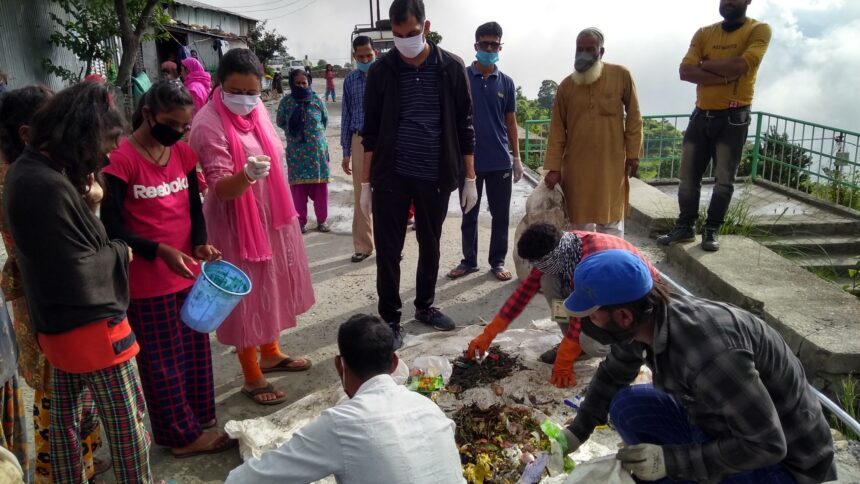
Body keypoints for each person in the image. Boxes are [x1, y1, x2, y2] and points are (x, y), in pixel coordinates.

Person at [559, 249, 837, 482]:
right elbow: (611, 376)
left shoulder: (711, 355)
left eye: (591, 316)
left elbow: (767, 444)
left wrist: (670, 461)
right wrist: (576, 431)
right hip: (719, 423)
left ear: (622, 316)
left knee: (669, 468)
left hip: (786, 463)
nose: (585, 324)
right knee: (626, 406)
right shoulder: (643, 320)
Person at [3, 81, 151, 483]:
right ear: (79, 134)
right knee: (128, 428)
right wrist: (122, 252)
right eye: (105, 141)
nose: (108, 152)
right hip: (92, 329)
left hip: (57, 326)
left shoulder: (30, 170)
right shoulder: (43, 184)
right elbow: (78, 271)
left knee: (67, 426)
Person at [101, 81, 235, 458]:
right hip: (147, 280)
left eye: (184, 126)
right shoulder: (121, 160)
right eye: (172, 124)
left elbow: (194, 207)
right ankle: (180, 437)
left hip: (187, 273)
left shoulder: (182, 155)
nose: (178, 133)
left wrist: (200, 243)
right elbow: (112, 227)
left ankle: (198, 418)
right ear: (147, 115)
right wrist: (158, 251)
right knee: (162, 361)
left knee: (194, 350)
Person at [189, 49, 314, 406]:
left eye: (252, 92)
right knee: (245, 294)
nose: (245, 100)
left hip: (270, 215)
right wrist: (245, 176)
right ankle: (250, 373)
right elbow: (220, 188)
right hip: (235, 222)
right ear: (220, 85)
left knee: (270, 284)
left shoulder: (256, 109)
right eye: (236, 91)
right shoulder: (208, 123)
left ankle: (271, 352)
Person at [224, 314, 465, 484]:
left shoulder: (342, 423)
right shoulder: (429, 409)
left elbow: (247, 480)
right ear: (394, 363)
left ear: (339, 366)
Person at [361, 0, 477, 347]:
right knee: (388, 249)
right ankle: (390, 318)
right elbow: (369, 132)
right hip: (390, 176)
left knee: (431, 243)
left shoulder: (451, 68)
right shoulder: (381, 71)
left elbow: (465, 125)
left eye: (411, 33)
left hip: (435, 174)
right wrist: (365, 184)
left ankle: (425, 305)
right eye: (397, 36)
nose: (404, 41)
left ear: (426, 27)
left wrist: (469, 177)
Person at [466, 223, 658, 385]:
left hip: (635, 304)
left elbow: (583, 309)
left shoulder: (585, 262)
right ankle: (572, 343)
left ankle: (621, 350)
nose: (534, 267)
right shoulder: (563, 249)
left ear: (550, 257)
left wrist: (565, 359)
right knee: (548, 281)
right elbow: (523, 293)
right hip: (601, 297)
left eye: (537, 263)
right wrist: (488, 334)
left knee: (590, 342)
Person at [658, 0, 772, 251]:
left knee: (723, 179)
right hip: (701, 114)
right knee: (687, 177)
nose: (728, 2)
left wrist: (704, 65)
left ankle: (711, 230)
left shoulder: (758, 30)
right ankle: (686, 226)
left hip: (734, 116)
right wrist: (725, 74)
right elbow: (685, 71)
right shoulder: (704, 32)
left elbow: (742, 66)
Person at [543, 27, 642, 239]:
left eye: (591, 49)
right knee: (580, 225)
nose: (584, 54)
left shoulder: (621, 75)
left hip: (611, 166)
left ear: (601, 52)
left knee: (611, 223)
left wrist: (633, 154)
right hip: (577, 168)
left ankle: (612, 267)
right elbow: (557, 130)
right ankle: (582, 269)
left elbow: (634, 116)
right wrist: (553, 167)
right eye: (580, 49)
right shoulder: (566, 87)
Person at [447, 21, 522, 283]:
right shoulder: (462, 77)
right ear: (476, 45)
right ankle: (469, 261)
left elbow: (511, 122)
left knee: (500, 216)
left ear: (500, 46)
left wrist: (517, 158)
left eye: (494, 44)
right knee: (470, 213)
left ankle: (497, 261)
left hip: (500, 160)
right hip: (469, 162)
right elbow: (452, 118)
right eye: (484, 44)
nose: (489, 48)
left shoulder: (507, 83)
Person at [276, 69, 331, 234]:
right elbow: (279, 122)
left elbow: (324, 120)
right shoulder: (286, 102)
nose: (301, 86)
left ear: (309, 83)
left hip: (317, 154)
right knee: (298, 192)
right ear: (292, 84)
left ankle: (322, 221)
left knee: (320, 190)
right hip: (297, 155)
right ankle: (300, 222)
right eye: (297, 83)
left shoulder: (317, 101)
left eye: (304, 83)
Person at [341, 36, 376, 262]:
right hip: (359, 140)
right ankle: (363, 246)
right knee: (361, 193)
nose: (365, 59)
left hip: (383, 140)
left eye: (369, 55)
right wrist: (346, 150)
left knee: (386, 194)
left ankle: (391, 245)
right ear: (354, 56)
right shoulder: (350, 80)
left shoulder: (385, 75)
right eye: (361, 56)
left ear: (375, 54)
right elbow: (346, 114)